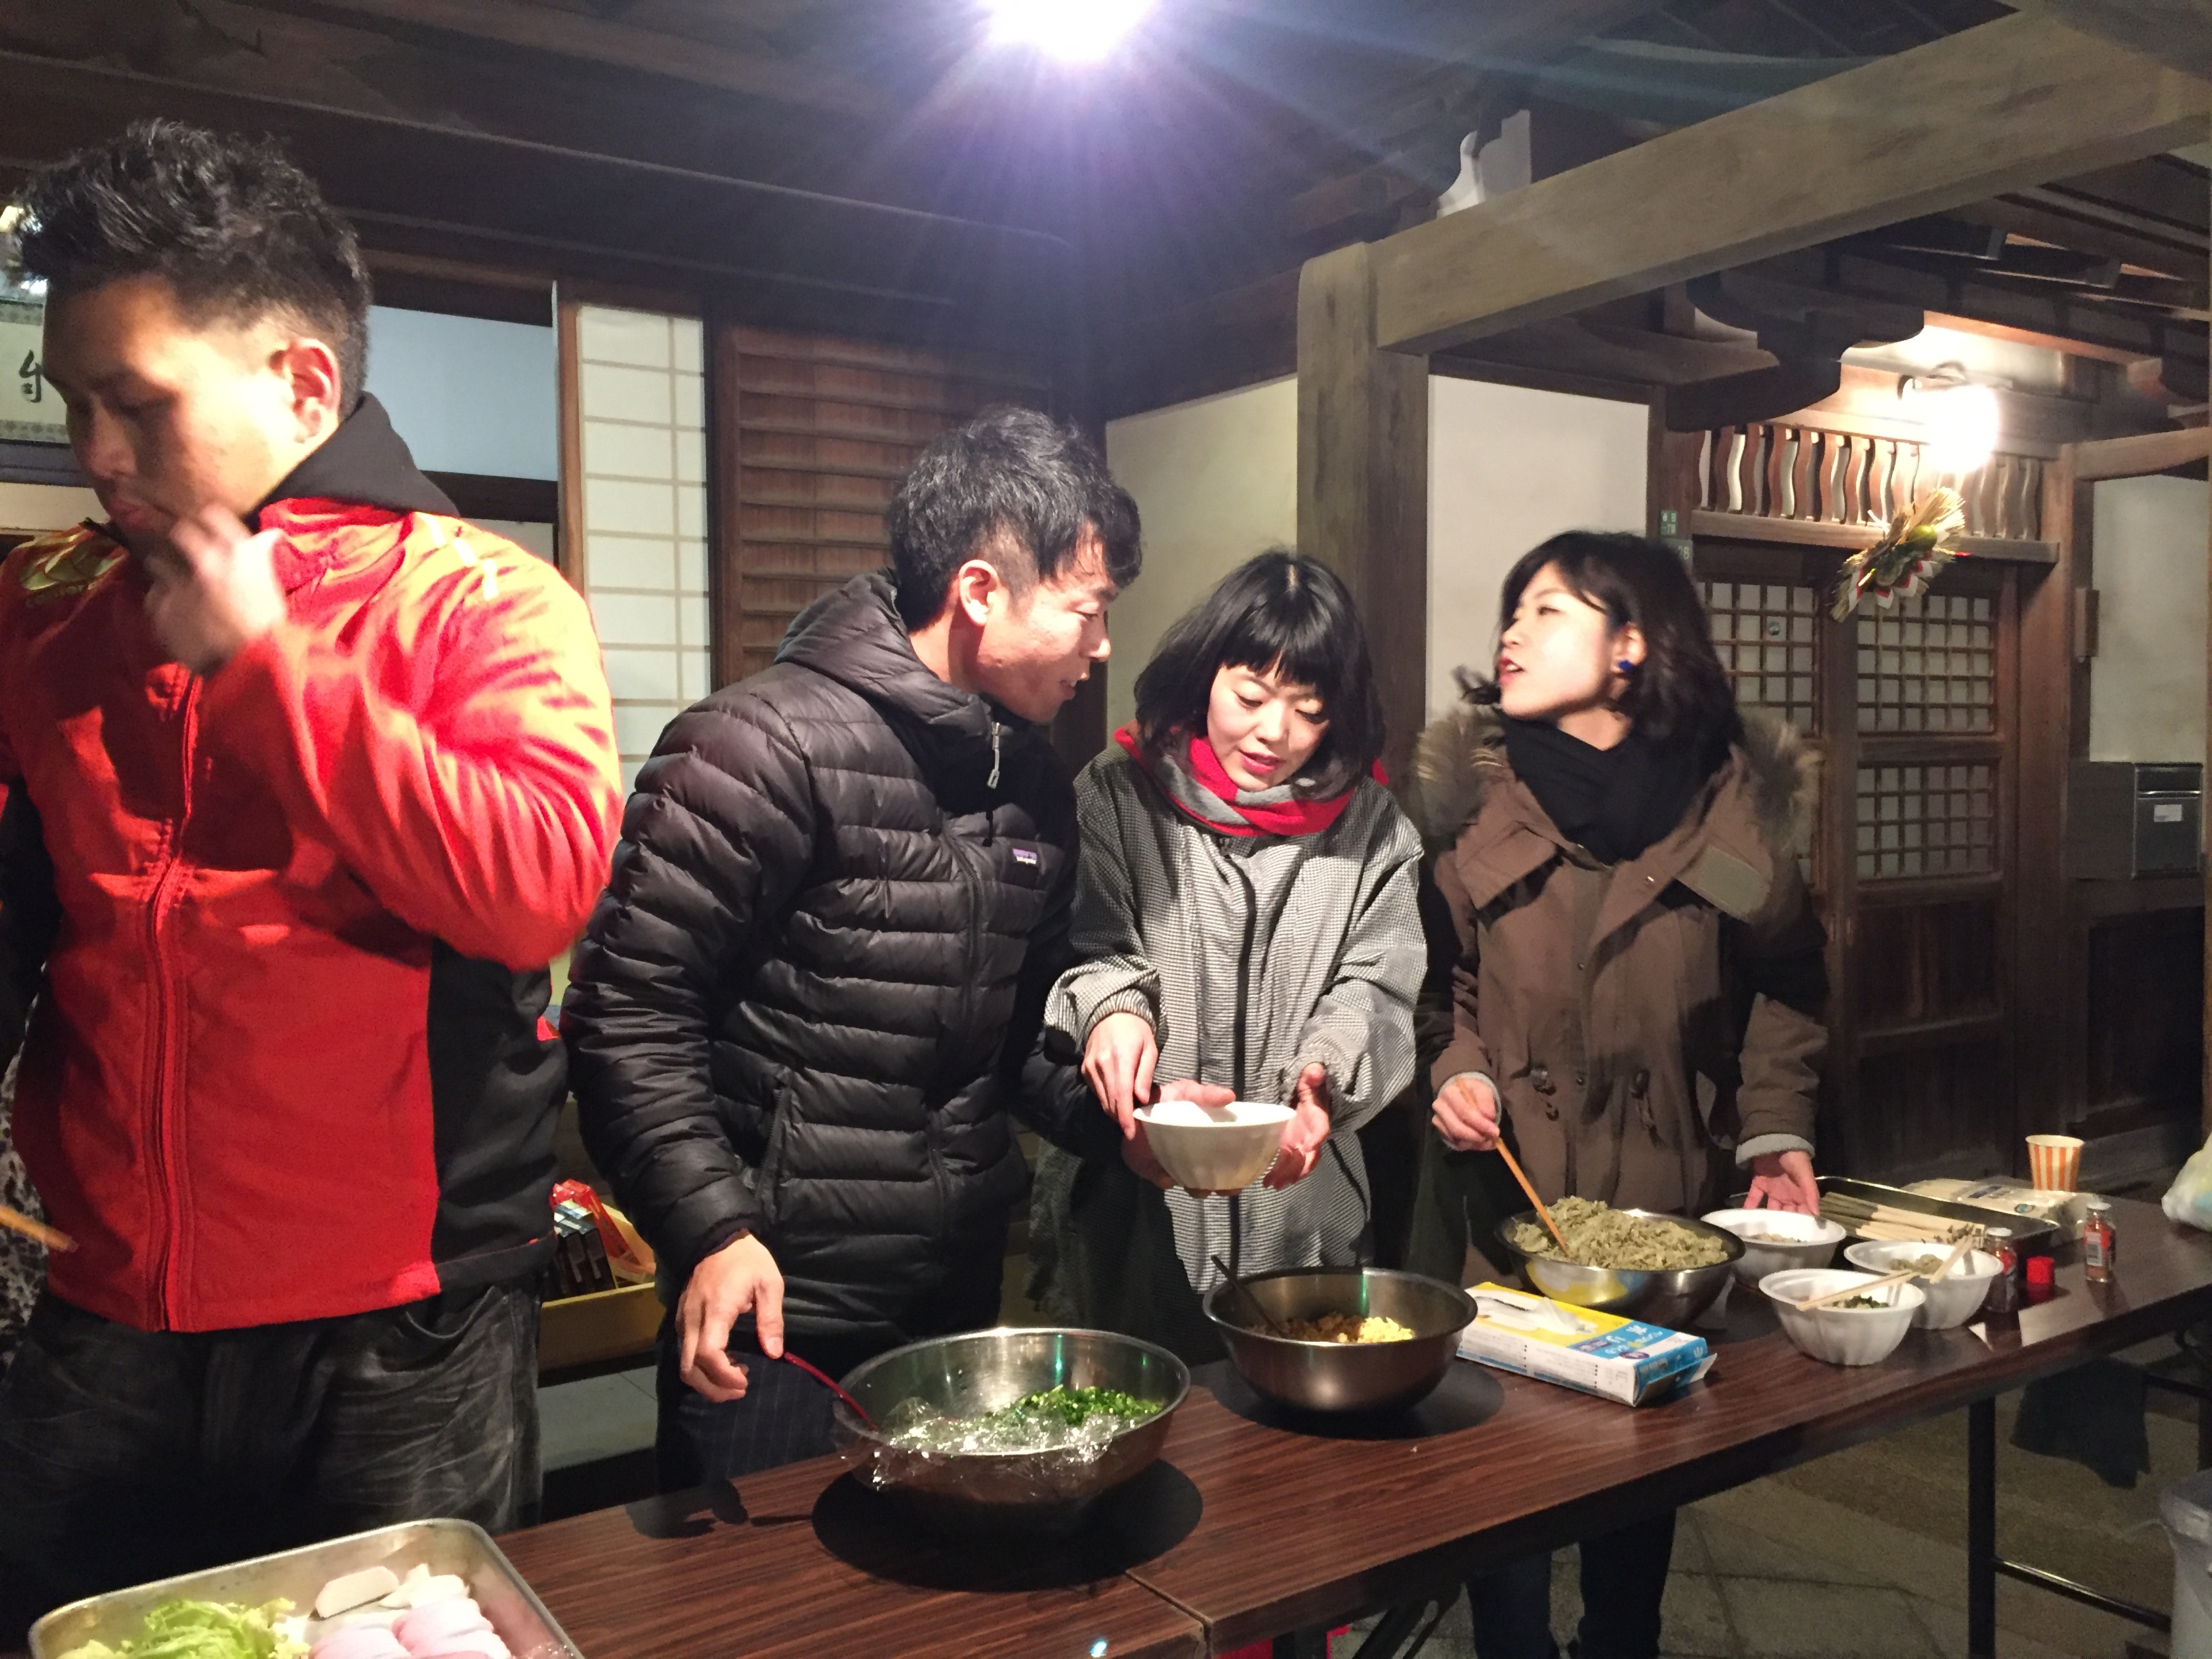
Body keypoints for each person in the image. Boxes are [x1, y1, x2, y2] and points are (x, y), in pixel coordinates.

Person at [0, 121, 623, 1623]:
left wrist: (271, 668)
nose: (94, 454)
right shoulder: (45, 607)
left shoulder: (481, 599)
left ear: (303, 383)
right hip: (101, 1298)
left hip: (394, 1326)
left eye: (137, 403)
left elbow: (534, 884)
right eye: (71, 400)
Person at [564, 406, 1141, 1486]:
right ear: (979, 592)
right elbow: (624, 1012)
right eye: (1087, 610)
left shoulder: (1032, 779)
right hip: (776, 1303)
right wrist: (713, 1226)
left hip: (957, 1299)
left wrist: (1133, 1128)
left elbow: (1012, 1037)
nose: (1101, 645)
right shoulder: (754, 744)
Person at [1410, 531, 1827, 1659]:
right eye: (1511, 609)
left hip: (1660, 1208)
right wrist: (1453, 1072)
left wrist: (1773, 1125)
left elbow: (1787, 984)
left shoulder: (1733, 808)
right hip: (1512, 1207)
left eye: (1545, 610)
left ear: (1631, 642)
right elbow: (1439, 987)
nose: (1511, 630)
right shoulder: (1470, 814)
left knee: (1635, 1482)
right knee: (1502, 1483)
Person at [1026, 551, 1424, 1362]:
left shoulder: (1374, 829)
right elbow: (1085, 948)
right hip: (1131, 1202)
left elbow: (1379, 987)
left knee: (1302, 1469)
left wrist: (1327, 1078)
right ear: (1207, 673)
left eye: (1308, 710)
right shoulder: (1116, 794)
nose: (1273, 733)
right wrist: (1113, 1013)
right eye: (1250, 696)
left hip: (1304, 1212)